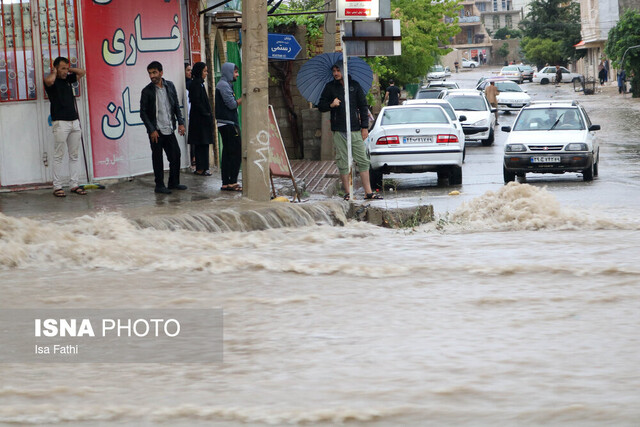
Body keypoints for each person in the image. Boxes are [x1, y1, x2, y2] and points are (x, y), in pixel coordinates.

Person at [318, 62, 383, 200]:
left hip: (354, 129)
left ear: (344, 70)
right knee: (342, 160)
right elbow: (321, 106)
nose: (335, 73)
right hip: (339, 129)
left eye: (338, 70)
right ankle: (348, 193)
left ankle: (368, 192)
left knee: (363, 160)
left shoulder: (354, 86)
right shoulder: (330, 87)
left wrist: (364, 127)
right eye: (334, 71)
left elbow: (363, 106)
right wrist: (331, 104)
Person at [140, 61, 187, 194]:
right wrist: (151, 130)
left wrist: (181, 123)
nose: (152, 76)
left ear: (161, 72)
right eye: (150, 73)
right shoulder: (147, 91)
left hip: (169, 128)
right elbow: (142, 113)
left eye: (154, 72)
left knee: (176, 155)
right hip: (156, 131)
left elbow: (176, 106)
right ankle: (159, 185)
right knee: (157, 158)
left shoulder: (170, 86)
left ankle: (173, 182)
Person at [44, 56, 87, 197]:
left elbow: (82, 72)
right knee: (59, 156)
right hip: (60, 122)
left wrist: (69, 69)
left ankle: (74, 184)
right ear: (56, 68)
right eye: (63, 68)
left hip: (74, 121)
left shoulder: (68, 80)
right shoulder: (51, 80)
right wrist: (56, 72)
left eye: (66, 68)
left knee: (74, 155)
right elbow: (49, 81)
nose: (65, 71)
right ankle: (57, 186)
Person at [215, 62, 242, 191]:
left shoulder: (224, 85)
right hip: (229, 124)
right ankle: (232, 182)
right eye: (235, 72)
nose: (237, 75)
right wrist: (244, 99)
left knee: (227, 153)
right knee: (235, 152)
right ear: (229, 72)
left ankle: (226, 182)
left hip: (225, 123)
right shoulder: (224, 86)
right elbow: (231, 105)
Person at [188, 62, 214, 176]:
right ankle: (200, 168)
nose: (206, 73)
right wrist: (205, 113)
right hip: (199, 120)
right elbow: (196, 101)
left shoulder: (200, 84)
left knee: (204, 144)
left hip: (203, 120)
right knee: (200, 143)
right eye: (204, 71)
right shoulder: (195, 84)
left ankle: (204, 167)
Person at [184, 63, 195, 171]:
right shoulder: (186, 85)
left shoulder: (191, 84)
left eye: (190, 70)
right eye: (187, 70)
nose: (190, 72)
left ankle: (194, 157)